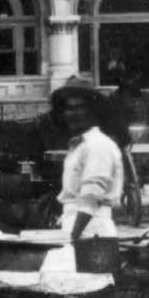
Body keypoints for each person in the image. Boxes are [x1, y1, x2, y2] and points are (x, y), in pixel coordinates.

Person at [53, 80, 125, 240]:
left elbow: (91, 199)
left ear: (93, 112)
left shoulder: (97, 145)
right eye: (69, 108)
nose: (74, 114)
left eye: (80, 107)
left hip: (91, 231)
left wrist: (72, 238)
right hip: (79, 227)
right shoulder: (79, 146)